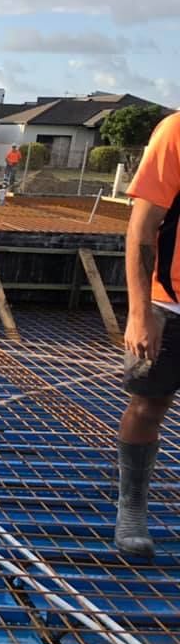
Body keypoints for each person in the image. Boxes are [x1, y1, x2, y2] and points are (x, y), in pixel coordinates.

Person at [118, 111, 180, 557]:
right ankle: (132, 508)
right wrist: (140, 312)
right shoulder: (177, 131)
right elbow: (142, 226)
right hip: (168, 303)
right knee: (148, 403)